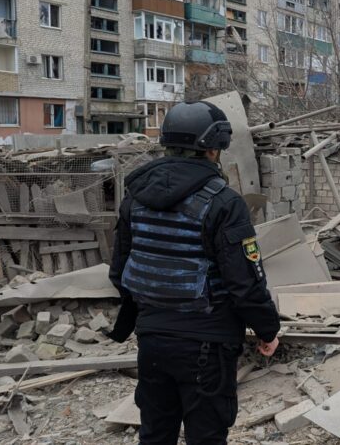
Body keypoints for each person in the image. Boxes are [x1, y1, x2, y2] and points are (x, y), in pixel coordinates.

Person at [108, 100, 281, 445]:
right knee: (206, 436)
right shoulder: (224, 203)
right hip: (207, 345)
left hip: (152, 340)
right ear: (213, 149)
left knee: (155, 434)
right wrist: (267, 329)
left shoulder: (135, 198)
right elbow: (244, 282)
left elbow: (120, 271)